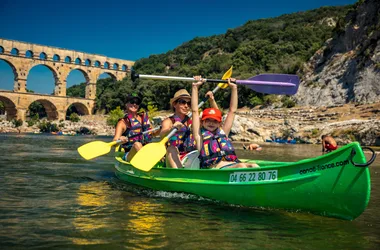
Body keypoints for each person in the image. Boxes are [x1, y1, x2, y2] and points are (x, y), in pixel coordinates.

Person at [191, 76, 259, 169]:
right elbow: (194, 110)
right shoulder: (199, 136)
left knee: (254, 165)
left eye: (215, 121)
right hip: (215, 168)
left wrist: (234, 88)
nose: (211, 123)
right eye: (208, 120)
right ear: (202, 122)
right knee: (241, 166)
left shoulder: (223, 132)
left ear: (219, 123)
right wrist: (195, 87)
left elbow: (232, 111)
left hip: (232, 163)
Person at [113, 93, 158, 162]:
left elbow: (154, 133)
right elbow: (115, 141)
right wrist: (120, 139)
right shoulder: (123, 122)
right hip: (129, 155)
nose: (134, 104)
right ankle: (149, 162)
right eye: (131, 101)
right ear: (126, 104)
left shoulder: (144, 118)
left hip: (146, 151)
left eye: (137, 102)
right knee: (137, 145)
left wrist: (162, 128)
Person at [160, 89, 195, 168]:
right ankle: (180, 173)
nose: (186, 106)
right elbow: (162, 134)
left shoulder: (192, 120)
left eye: (189, 103)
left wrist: (212, 100)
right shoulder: (169, 121)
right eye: (182, 102)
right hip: (173, 156)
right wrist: (172, 128)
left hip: (190, 156)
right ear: (174, 104)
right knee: (172, 148)